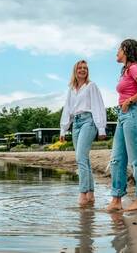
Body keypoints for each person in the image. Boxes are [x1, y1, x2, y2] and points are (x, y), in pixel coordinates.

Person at [107, 39, 137, 212]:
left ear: (126, 50)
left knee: (136, 160)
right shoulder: (125, 70)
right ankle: (116, 199)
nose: (117, 52)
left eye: (119, 49)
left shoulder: (134, 67)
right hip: (123, 116)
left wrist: (129, 101)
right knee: (117, 159)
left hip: (132, 114)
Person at [60, 60, 107, 206]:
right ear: (75, 71)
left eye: (85, 68)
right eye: (80, 68)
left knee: (80, 158)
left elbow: (99, 106)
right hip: (76, 124)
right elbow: (67, 109)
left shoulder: (91, 86)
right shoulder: (71, 89)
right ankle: (91, 194)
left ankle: (82, 194)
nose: (82, 70)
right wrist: (63, 129)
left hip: (89, 121)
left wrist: (101, 128)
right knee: (84, 159)